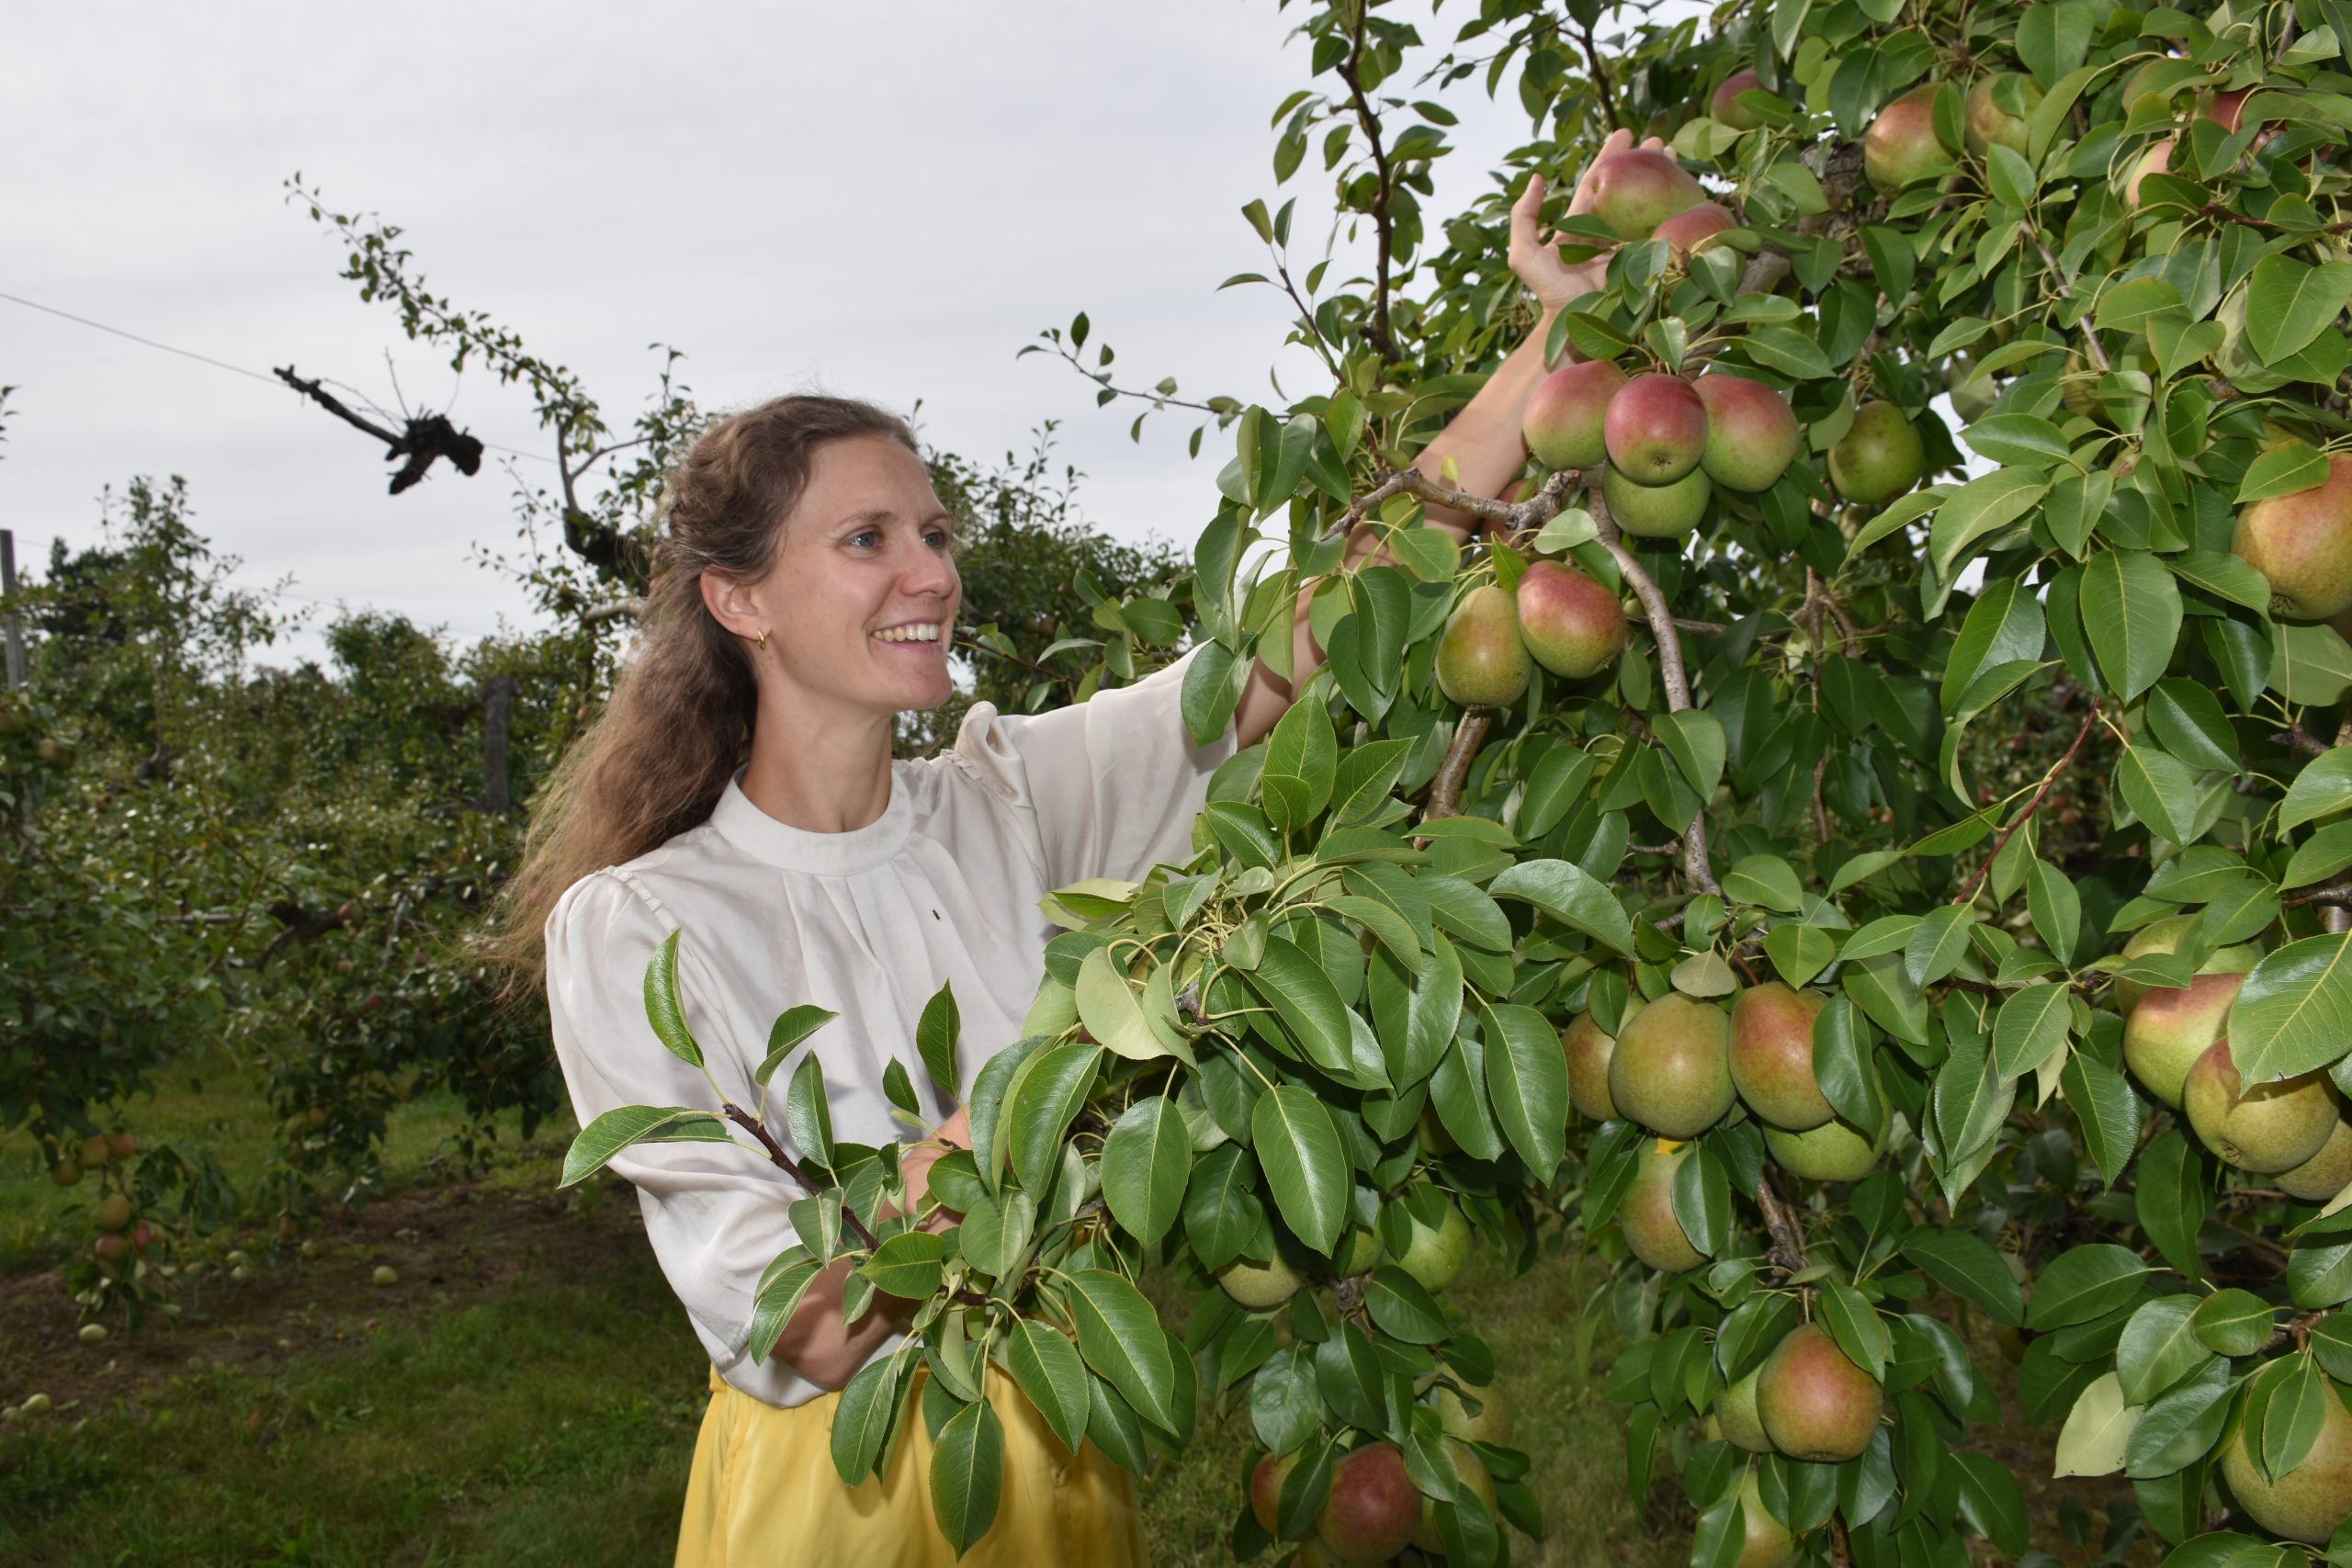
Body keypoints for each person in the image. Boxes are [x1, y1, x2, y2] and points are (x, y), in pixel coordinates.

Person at [494, 130, 1651, 1568]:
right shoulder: (643, 927)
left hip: (1057, 1442)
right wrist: (1053, 1090)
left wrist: (1557, 335)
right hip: (838, 1496)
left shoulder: (1005, 801)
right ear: (741, 601)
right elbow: (807, 1319)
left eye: (932, 529)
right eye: (867, 541)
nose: (932, 571)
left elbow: (1293, 646)